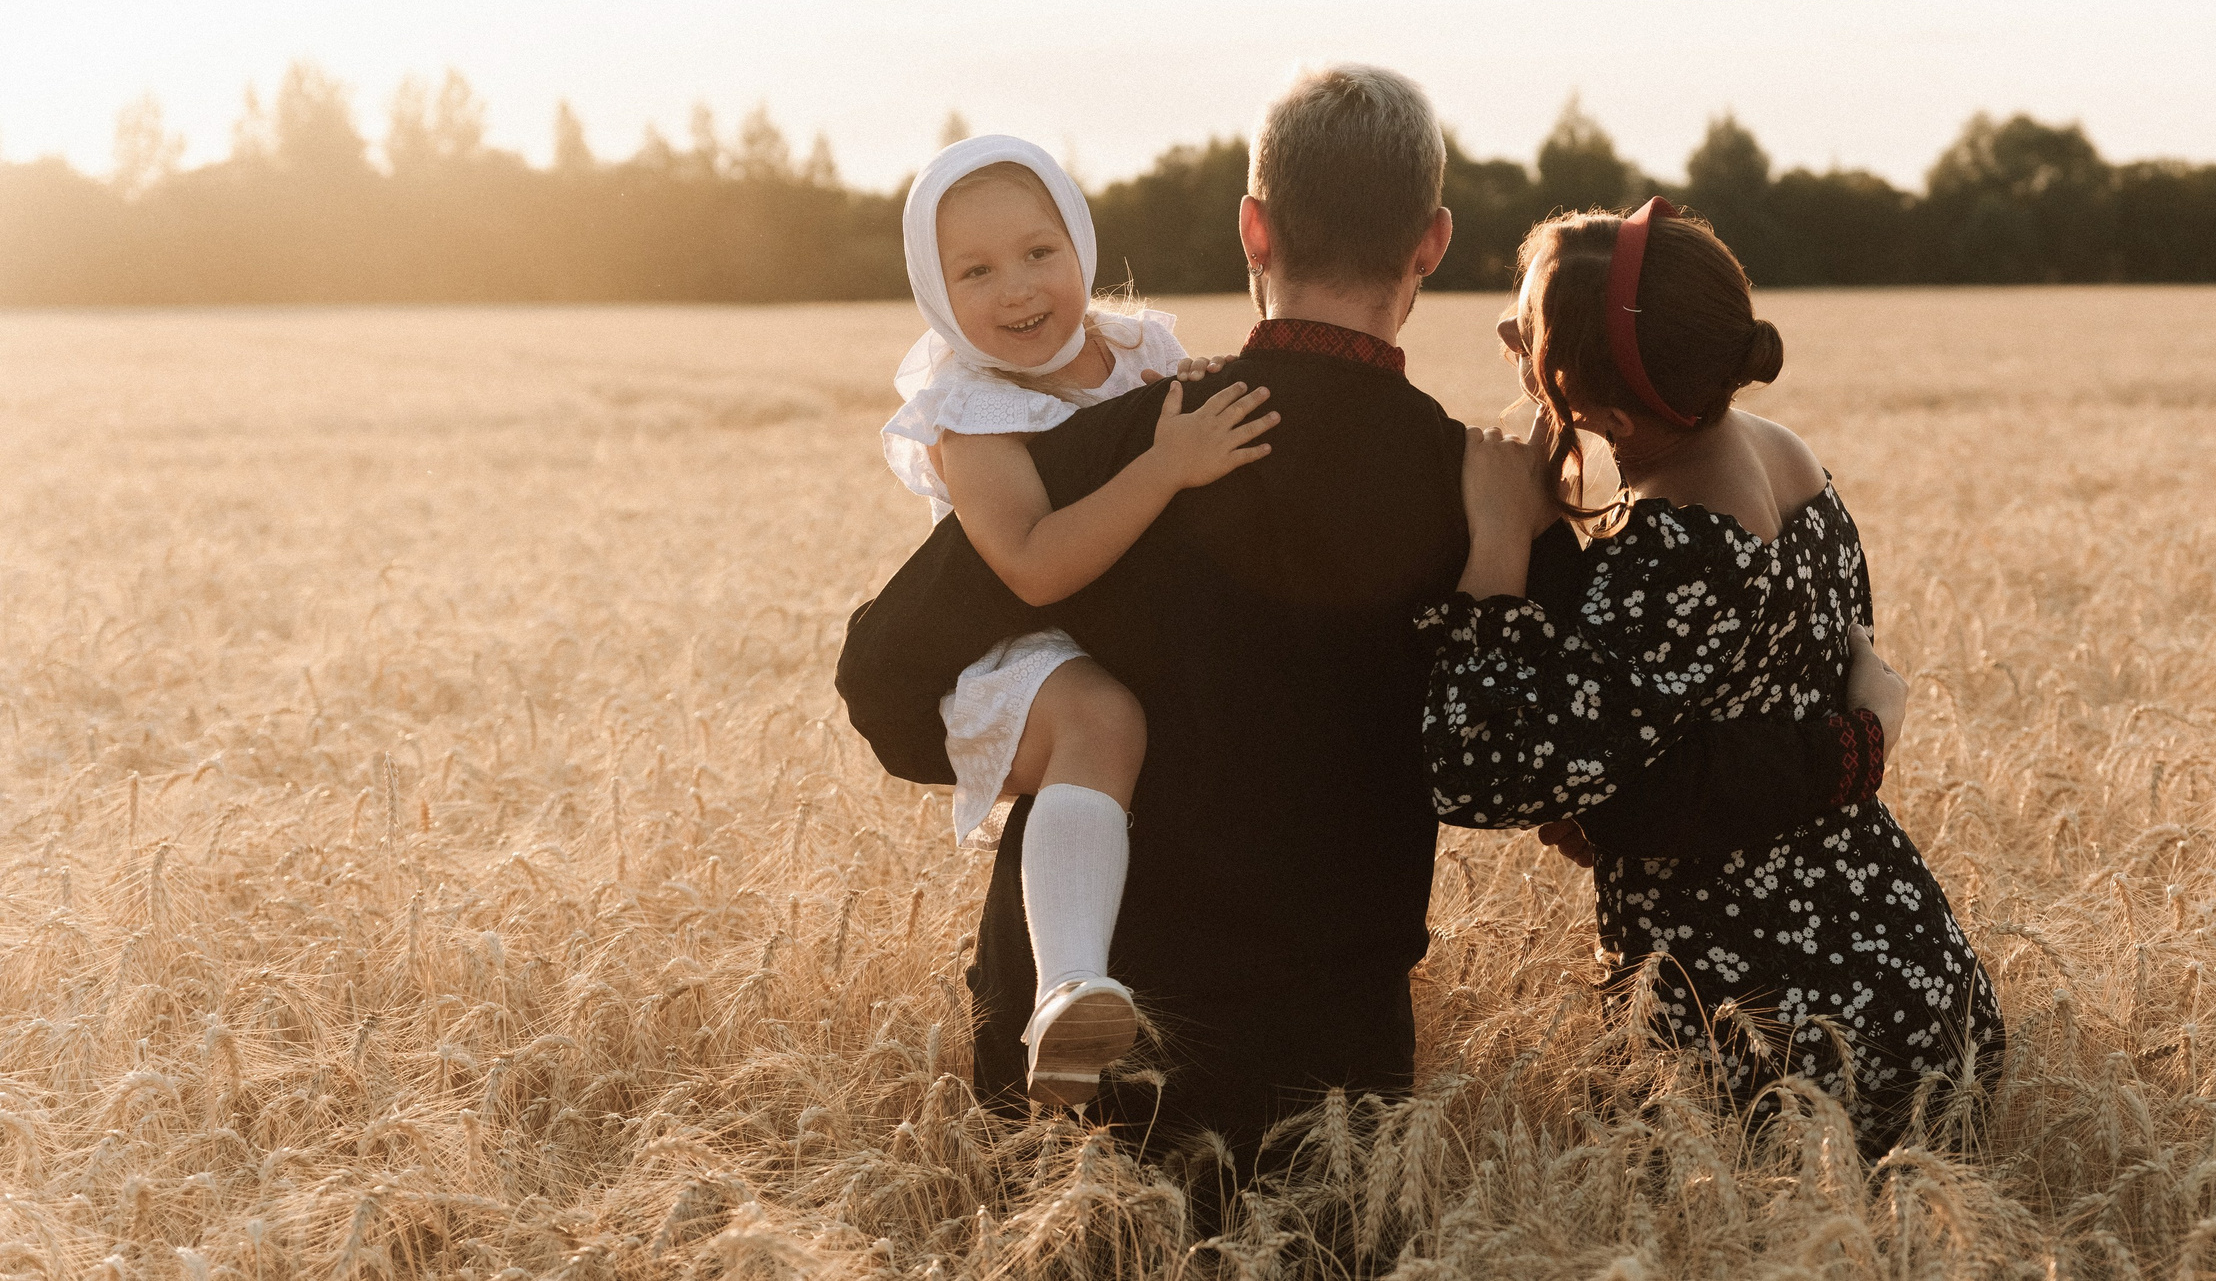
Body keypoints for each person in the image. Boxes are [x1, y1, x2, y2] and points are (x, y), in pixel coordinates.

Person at [836, 67, 1896, 1191]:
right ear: (1431, 244)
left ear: (1252, 227)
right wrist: (1848, 739)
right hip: (1326, 1068)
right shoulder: (1475, 494)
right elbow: (1628, 783)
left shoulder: (1121, 445)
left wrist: (1060, 745)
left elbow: (884, 682)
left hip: (1069, 1053)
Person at [1418, 199, 2002, 1157]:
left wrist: (1493, 540)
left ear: (1607, 413)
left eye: (1522, 332)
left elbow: (1478, 768)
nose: (1501, 336)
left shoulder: (1677, 548)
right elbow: (1721, 723)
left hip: (1773, 1035)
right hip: (1918, 982)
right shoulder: (1788, 458)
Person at [881, 134, 1277, 1104]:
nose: (1015, 288)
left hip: (1138, 626)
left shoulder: (1138, 351)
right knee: (1104, 721)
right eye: (973, 270)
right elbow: (1031, 566)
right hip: (1024, 655)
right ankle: (1067, 993)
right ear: (934, 291)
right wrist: (1163, 464)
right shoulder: (968, 412)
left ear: (1080, 242)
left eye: (1037, 253)